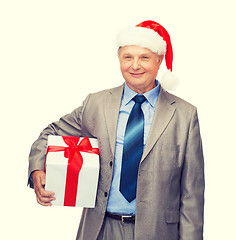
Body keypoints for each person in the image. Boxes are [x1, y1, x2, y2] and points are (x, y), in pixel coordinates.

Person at [28, 20, 204, 240]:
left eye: (144, 57)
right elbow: (49, 134)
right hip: (100, 229)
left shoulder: (184, 115)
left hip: (158, 233)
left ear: (159, 60)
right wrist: (37, 168)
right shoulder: (97, 104)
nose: (135, 66)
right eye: (128, 57)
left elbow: (192, 196)